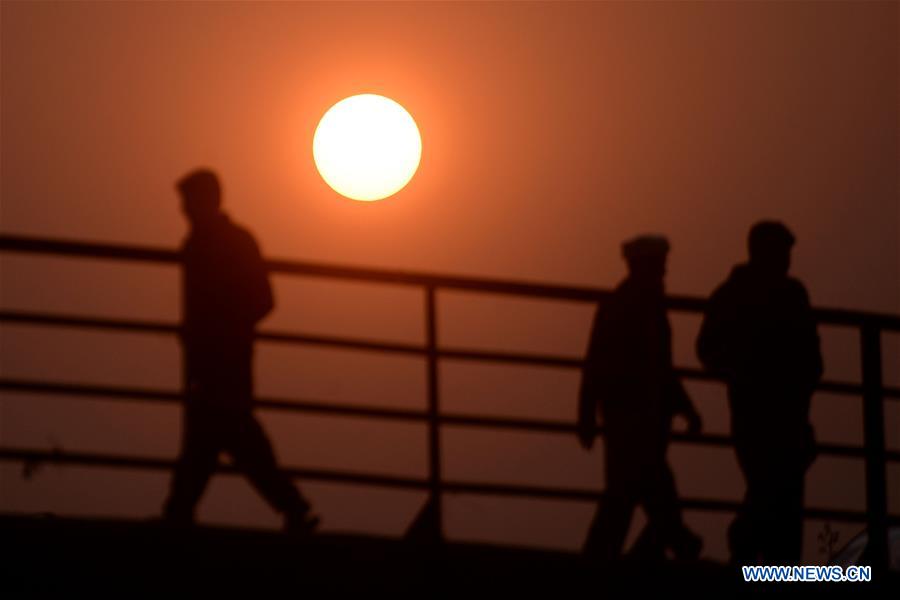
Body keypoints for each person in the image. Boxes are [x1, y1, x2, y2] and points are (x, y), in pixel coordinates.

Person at [162, 168, 318, 534]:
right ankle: (292, 507)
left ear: (206, 201)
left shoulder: (226, 244)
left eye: (188, 202)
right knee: (226, 438)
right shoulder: (207, 243)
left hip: (223, 359)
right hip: (215, 358)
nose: (183, 211)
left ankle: (178, 514)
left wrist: (221, 325)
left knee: (221, 437)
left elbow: (264, 300)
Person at [696, 220, 822, 564]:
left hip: (780, 415)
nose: (787, 260)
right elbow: (708, 350)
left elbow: (812, 359)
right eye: (782, 252)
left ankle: (753, 551)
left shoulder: (764, 294)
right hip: (762, 414)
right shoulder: (757, 294)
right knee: (776, 492)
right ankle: (750, 546)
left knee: (777, 495)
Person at [578, 235, 703, 561]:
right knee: (645, 494)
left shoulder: (641, 307)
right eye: (658, 263)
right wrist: (587, 414)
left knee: (627, 496)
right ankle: (678, 545)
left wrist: (684, 407)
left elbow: (661, 367)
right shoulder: (628, 307)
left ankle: (604, 562)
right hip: (632, 421)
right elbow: (599, 363)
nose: (663, 270)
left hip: (640, 420)